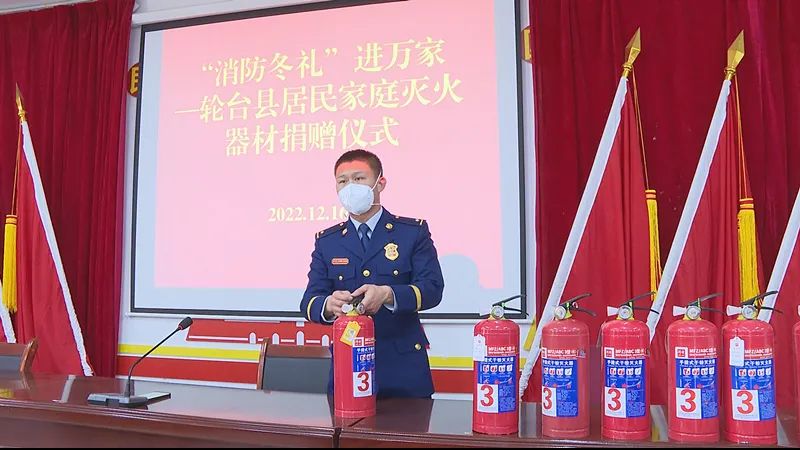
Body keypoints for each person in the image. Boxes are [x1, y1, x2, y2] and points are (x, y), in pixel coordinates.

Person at [300, 149, 445, 398]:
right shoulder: (328, 241)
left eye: (359, 179)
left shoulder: (411, 233)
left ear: (380, 183)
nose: (350, 187)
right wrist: (329, 305)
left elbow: (432, 289)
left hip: (402, 369)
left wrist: (388, 294)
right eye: (343, 181)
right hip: (348, 366)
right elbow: (309, 302)